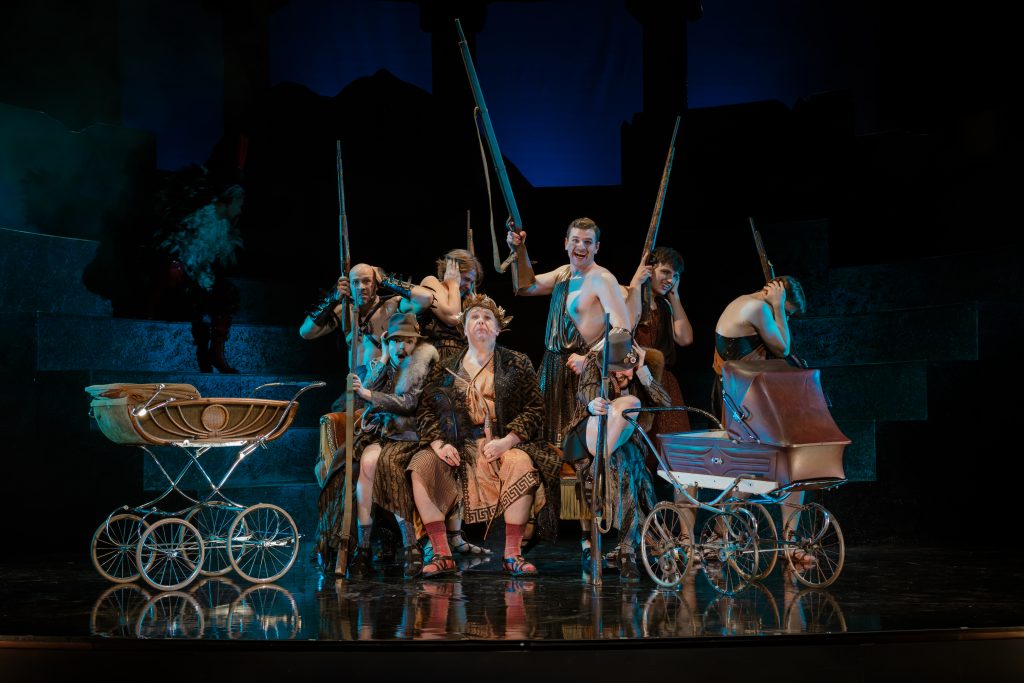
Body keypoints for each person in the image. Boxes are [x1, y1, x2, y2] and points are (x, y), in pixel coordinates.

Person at [406, 294, 562, 578]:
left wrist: (508, 441)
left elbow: (535, 408)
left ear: (498, 328)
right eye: (474, 317)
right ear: (464, 328)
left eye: (487, 318)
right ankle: (442, 554)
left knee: (520, 462)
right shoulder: (445, 368)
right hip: (457, 445)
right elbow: (426, 411)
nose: (481, 322)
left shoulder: (516, 362)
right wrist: (439, 445)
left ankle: (512, 555)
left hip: (501, 441)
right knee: (421, 464)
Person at [314, 312, 438, 579]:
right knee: (360, 464)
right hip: (379, 436)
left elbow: (408, 403)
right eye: (395, 341)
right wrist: (382, 359)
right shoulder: (385, 365)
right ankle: (362, 548)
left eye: (408, 341)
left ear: (416, 344)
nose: (401, 347)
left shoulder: (419, 368)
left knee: (385, 466)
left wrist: (369, 394)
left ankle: (410, 546)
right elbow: (363, 397)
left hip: (408, 437)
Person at [506, 217, 632, 444]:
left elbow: (623, 329)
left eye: (587, 242)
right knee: (543, 440)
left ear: (597, 247)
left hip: (580, 372)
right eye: (575, 240)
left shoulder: (602, 279)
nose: (581, 246)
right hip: (551, 369)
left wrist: (590, 359)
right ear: (566, 243)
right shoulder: (563, 274)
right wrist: (519, 250)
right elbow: (524, 287)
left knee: (574, 444)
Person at [711, 275, 810, 560]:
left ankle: (789, 540)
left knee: (787, 464)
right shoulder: (757, 308)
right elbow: (783, 348)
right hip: (742, 400)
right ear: (777, 294)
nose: (785, 320)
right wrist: (778, 306)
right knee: (758, 468)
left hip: (745, 395)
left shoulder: (747, 302)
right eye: (787, 313)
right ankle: (720, 532)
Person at [561, 331, 672, 582]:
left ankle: (627, 549)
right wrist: (592, 404)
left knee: (627, 462)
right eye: (617, 369)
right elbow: (586, 393)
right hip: (587, 438)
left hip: (620, 447)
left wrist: (643, 371)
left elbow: (665, 403)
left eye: (628, 369)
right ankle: (628, 550)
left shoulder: (639, 376)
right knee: (625, 457)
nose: (623, 375)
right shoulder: (595, 367)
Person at [300, 263, 433, 410]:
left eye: (367, 281)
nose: (361, 287)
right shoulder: (345, 311)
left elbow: (426, 298)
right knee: (336, 413)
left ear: (376, 284)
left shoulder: (391, 306)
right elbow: (306, 332)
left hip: (383, 383)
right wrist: (333, 298)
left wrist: (386, 280)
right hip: (355, 384)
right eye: (355, 282)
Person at [151, 169, 246, 374]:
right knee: (215, 292)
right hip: (183, 282)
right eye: (238, 204)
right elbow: (180, 252)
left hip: (200, 281)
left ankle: (216, 352)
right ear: (229, 202)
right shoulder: (199, 219)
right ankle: (209, 352)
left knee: (226, 293)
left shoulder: (224, 228)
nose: (240, 210)